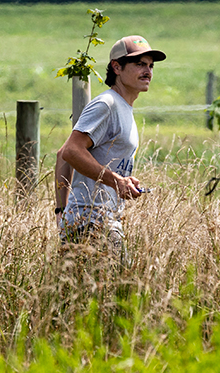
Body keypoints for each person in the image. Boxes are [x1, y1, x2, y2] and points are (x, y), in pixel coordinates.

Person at [55, 35, 165, 264]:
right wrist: (116, 181)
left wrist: (124, 179)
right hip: (91, 221)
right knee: (112, 295)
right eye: (139, 64)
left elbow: (63, 152)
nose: (148, 71)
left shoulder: (123, 107)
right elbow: (72, 151)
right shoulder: (107, 104)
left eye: (150, 65)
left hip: (96, 220)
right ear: (116, 67)